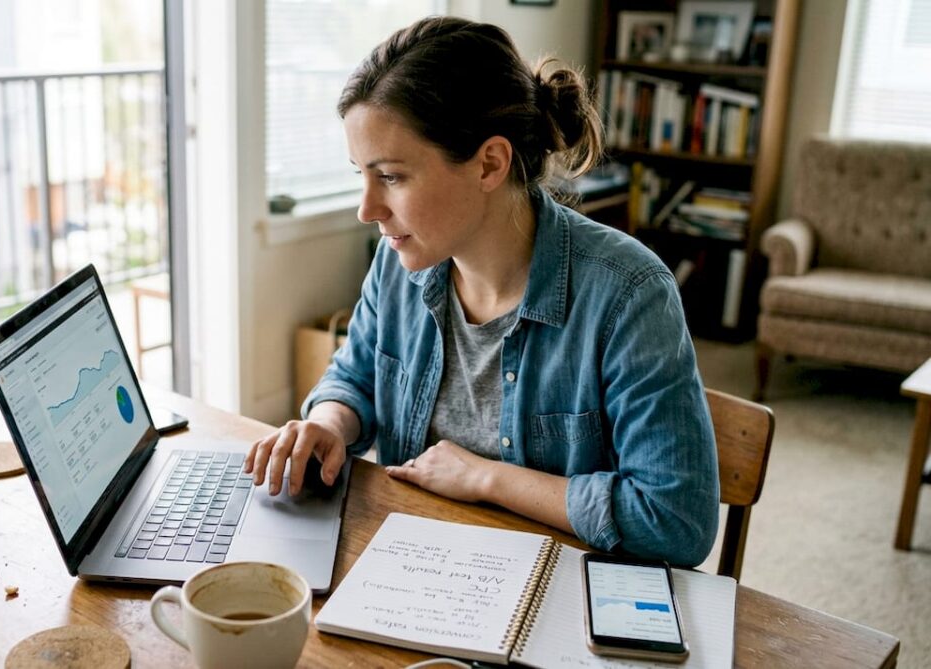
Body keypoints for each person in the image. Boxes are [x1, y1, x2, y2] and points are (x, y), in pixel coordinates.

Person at [244, 16, 719, 567]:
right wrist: (328, 424)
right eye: (361, 176)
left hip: (559, 590)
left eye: (392, 177)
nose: (366, 209)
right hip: (416, 566)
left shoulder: (630, 294)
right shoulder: (398, 262)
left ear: (489, 163)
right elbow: (355, 377)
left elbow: (677, 520)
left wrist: (488, 478)